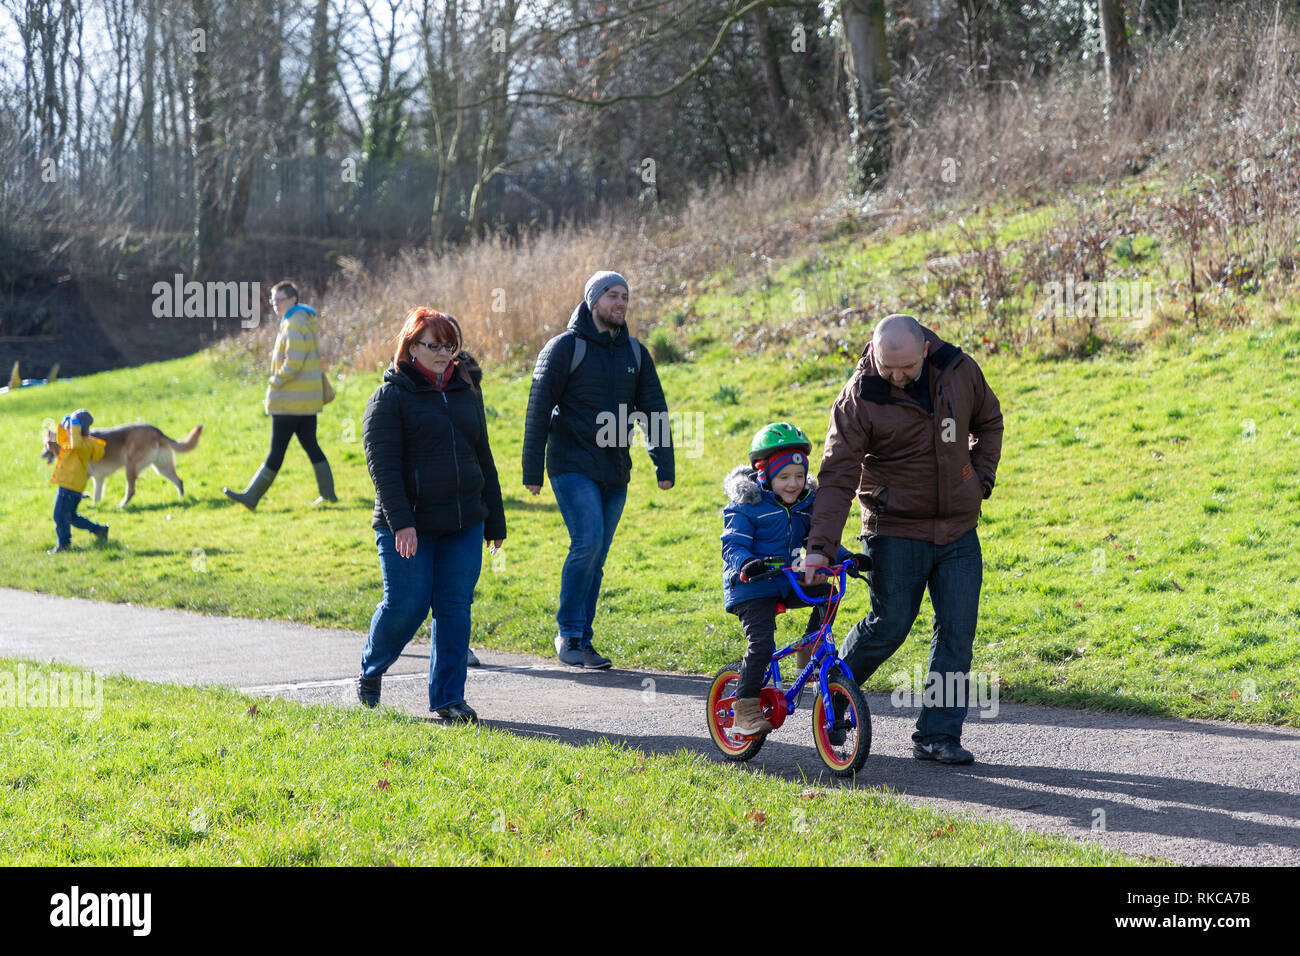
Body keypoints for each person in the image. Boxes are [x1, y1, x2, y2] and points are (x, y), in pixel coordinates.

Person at [803, 313, 1003, 765]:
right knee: (889, 625)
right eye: (886, 366)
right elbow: (836, 476)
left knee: (957, 632)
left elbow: (989, 422)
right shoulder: (859, 396)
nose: (894, 377)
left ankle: (937, 735)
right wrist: (819, 549)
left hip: (957, 529)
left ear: (925, 351)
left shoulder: (959, 371)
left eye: (905, 369)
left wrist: (979, 479)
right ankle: (832, 697)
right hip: (893, 529)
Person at [356, 307, 506, 723]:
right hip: (408, 524)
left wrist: (494, 520)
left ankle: (448, 698)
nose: (444, 353)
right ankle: (371, 669)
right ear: (410, 346)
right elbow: (382, 469)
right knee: (407, 604)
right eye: (434, 345)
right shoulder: (389, 398)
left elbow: (483, 455)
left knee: (454, 606)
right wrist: (402, 522)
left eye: (450, 345)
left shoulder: (465, 389)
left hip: (463, 521)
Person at [522, 270, 674, 669]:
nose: (620, 303)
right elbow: (538, 408)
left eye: (625, 296)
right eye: (612, 295)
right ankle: (569, 634)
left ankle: (584, 642)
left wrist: (665, 463)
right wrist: (531, 470)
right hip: (570, 463)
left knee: (598, 556)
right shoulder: (564, 348)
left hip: (614, 469)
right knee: (587, 543)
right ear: (593, 301)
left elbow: (653, 411)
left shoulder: (635, 353)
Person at [721, 422, 860, 736]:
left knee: (830, 593)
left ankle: (809, 650)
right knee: (762, 645)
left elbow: (819, 540)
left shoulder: (805, 506)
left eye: (799, 476)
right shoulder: (747, 506)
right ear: (765, 475)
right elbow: (733, 544)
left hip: (788, 581)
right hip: (752, 585)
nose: (793, 484)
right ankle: (744, 707)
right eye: (784, 477)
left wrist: (848, 558)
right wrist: (747, 563)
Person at [223, 281, 337, 509]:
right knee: (310, 444)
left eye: (279, 300)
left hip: (290, 400)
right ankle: (329, 495)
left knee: (277, 450)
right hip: (305, 399)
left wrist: (276, 380)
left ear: (293, 299)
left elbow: (294, 362)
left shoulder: (294, 323)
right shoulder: (301, 320)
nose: (275, 304)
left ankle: (252, 496)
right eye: (273, 300)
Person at [47, 408, 109, 554]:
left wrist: (73, 425)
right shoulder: (75, 442)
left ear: (78, 428)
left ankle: (64, 545)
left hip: (70, 488)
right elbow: (62, 440)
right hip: (71, 487)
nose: (69, 430)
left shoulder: (84, 445)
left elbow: (75, 443)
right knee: (71, 517)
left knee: (59, 516)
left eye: (72, 427)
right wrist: (63, 426)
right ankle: (99, 530)